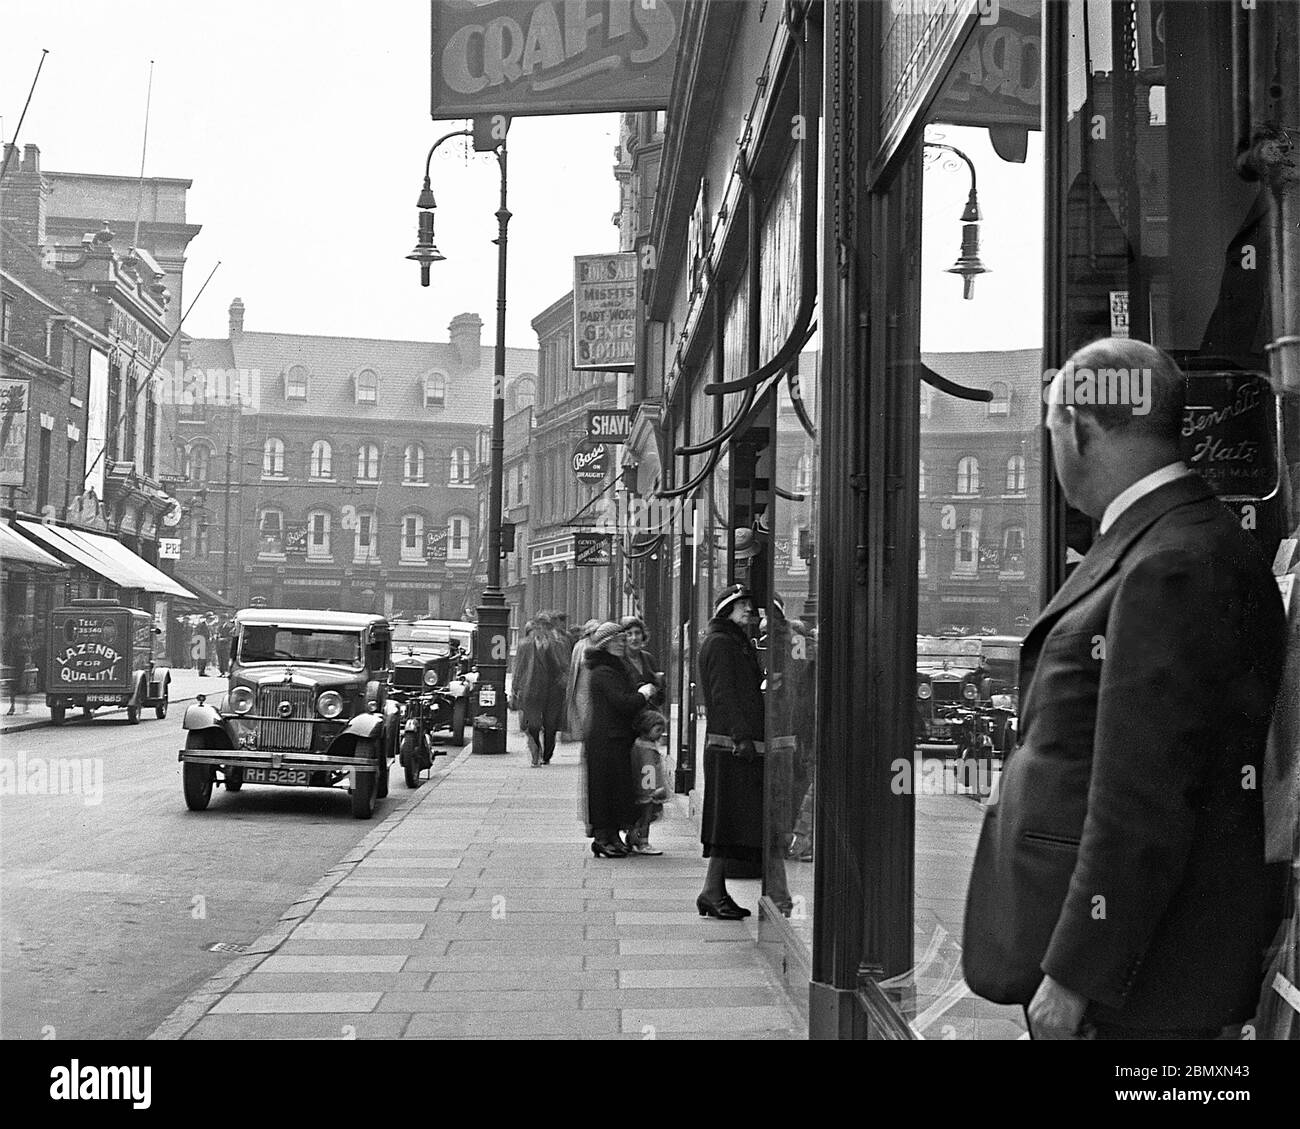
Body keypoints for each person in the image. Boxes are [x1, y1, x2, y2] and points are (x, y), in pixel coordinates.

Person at [963, 339, 1286, 1040]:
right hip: (1143, 974)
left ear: (1076, 428)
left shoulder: (1169, 562)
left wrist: (1076, 974)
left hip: (1138, 990)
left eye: (1049, 429)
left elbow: (1142, 796)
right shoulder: (1172, 538)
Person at [695, 584, 766, 919]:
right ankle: (712, 892)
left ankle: (715, 891)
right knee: (727, 822)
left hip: (731, 746)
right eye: (742, 606)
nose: (749, 611)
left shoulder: (730, 641)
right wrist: (741, 737)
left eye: (750, 605)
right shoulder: (723, 644)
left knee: (730, 821)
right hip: (730, 748)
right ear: (727, 609)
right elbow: (724, 694)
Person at [584, 621, 657, 857]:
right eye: (616, 640)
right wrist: (643, 694)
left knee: (615, 789)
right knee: (605, 789)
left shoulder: (614, 667)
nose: (621, 643)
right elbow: (622, 702)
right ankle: (603, 838)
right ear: (605, 644)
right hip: (606, 739)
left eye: (621, 640)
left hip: (616, 738)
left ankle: (612, 836)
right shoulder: (604, 671)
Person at [511, 614, 566, 766]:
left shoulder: (557, 644)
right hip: (532, 690)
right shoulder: (525, 645)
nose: (542, 630)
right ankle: (537, 749)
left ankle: (547, 755)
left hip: (553, 691)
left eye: (545, 626)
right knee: (533, 725)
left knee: (550, 725)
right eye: (539, 626)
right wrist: (514, 689)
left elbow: (562, 666)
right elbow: (519, 668)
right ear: (534, 628)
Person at [627, 708, 669, 856]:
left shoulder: (638, 745)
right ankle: (643, 841)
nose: (660, 734)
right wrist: (653, 790)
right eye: (658, 730)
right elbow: (648, 770)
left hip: (642, 788)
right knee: (646, 817)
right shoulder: (647, 749)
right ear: (647, 729)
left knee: (642, 817)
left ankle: (634, 837)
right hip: (648, 791)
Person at [619, 615, 663, 708]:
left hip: (650, 715)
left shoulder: (649, 658)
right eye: (629, 634)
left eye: (637, 633)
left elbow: (660, 697)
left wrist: (659, 685)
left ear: (643, 635)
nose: (634, 638)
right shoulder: (619, 661)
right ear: (623, 638)